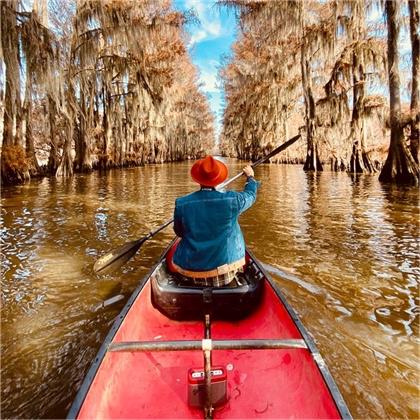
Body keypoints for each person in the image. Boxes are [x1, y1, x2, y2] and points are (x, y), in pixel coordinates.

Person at [170, 156, 260, 287]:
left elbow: (179, 232)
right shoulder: (232, 200)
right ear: (218, 180)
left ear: (198, 180)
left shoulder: (182, 203)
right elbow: (251, 195)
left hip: (191, 273)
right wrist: (250, 178)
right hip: (225, 274)